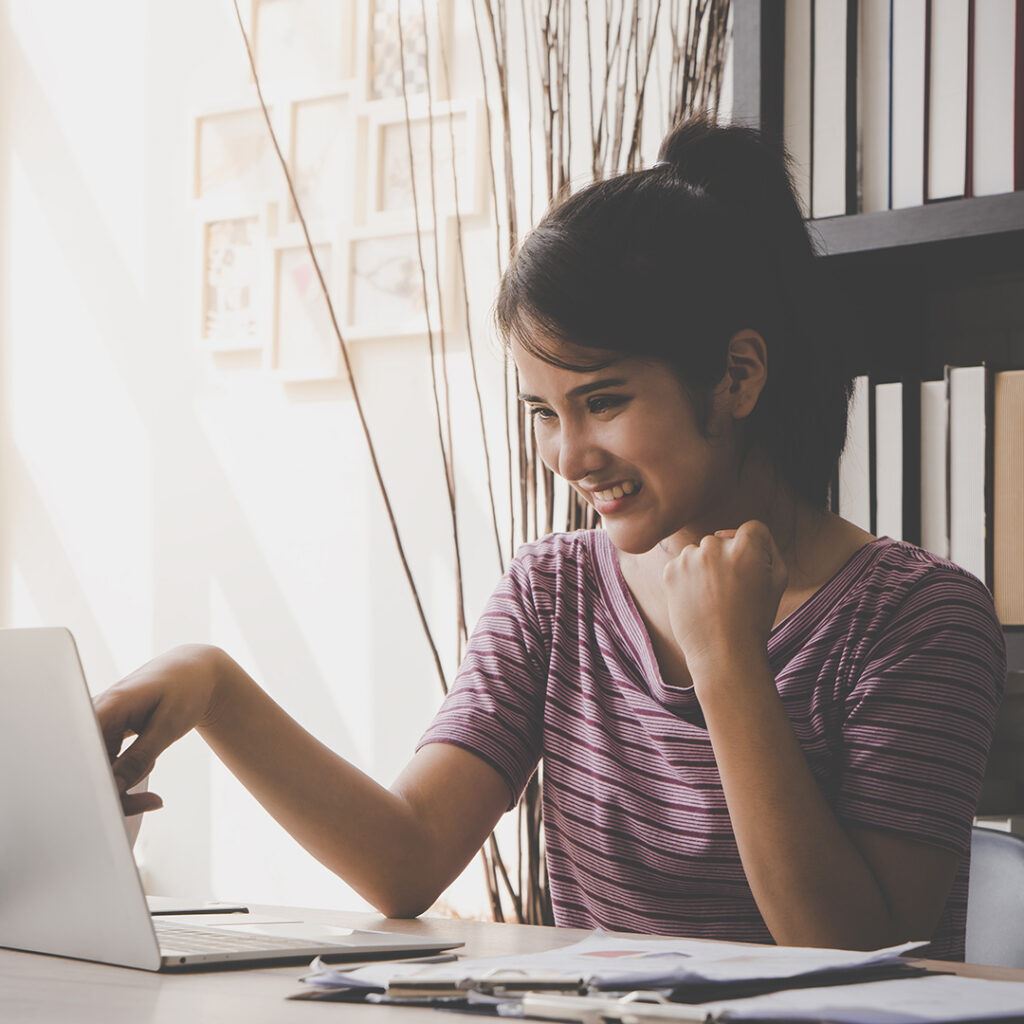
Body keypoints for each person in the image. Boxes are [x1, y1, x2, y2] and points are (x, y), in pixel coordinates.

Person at [94, 116, 1006, 961]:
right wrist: (214, 687)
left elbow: (858, 957)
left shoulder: (916, 616)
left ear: (735, 375)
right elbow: (406, 860)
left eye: (602, 401)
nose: (568, 455)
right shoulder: (555, 591)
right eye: (542, 411)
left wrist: (727, 662)